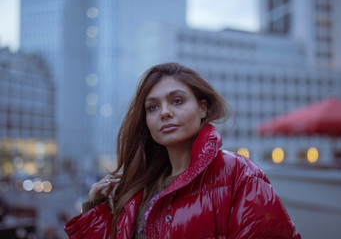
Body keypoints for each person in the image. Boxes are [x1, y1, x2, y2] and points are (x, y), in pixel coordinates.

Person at [64, 62, 301, 239]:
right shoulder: (137, 190)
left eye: (177, 101)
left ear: (202, 108)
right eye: (153, 107)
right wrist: (95, 212)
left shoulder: (239, 173)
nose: (164, 112)